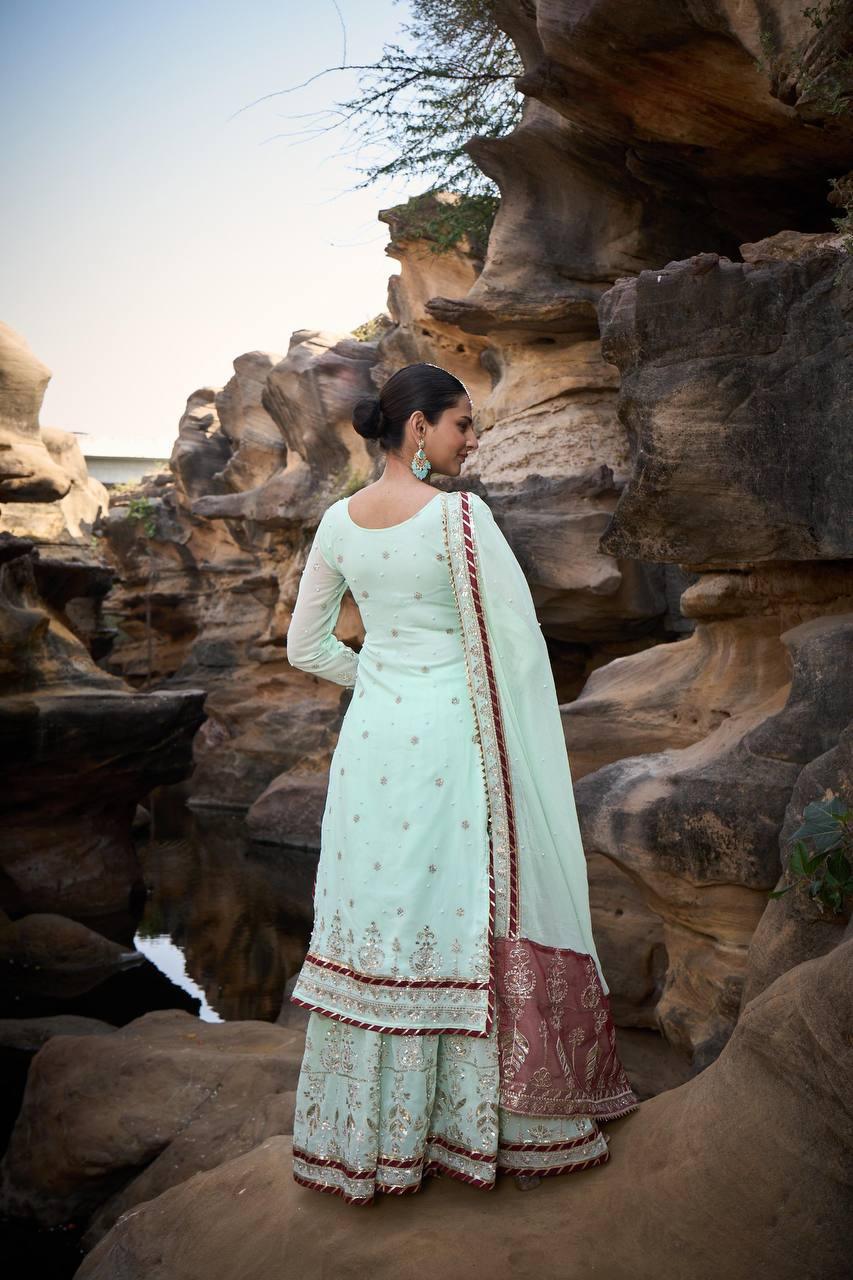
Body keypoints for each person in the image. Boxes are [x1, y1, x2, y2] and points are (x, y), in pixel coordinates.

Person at [285, 362, 639, 1204]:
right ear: (418, 427)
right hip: (450, 741)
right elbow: (514, 645)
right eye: (461, 424)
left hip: (373, 744)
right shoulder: (457, 518)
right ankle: (474, 1130)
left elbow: (306, 647)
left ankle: (368, 1143)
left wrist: (377, 678)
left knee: (382, 918)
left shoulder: (336, 523)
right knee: (458, 914)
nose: (471, 440)